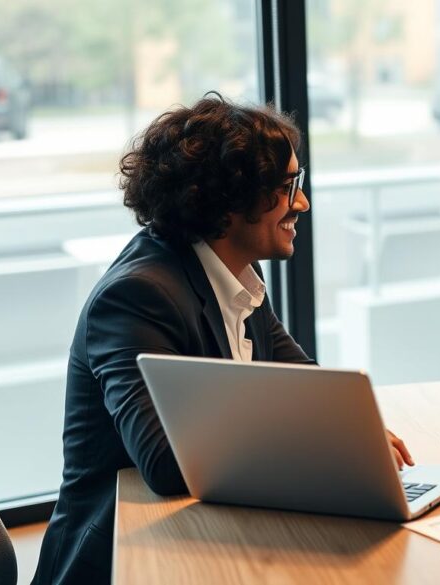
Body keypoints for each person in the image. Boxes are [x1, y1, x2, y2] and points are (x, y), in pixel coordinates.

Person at [33, 94, 413, 584]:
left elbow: (310, 392)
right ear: (228, 200)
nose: (302, 202)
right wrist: (321, 445)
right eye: (286, 185)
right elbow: (166, 463)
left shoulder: (237, 278)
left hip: (199, 531)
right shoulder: (137, 296)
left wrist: (350, 440)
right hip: (122, 555)